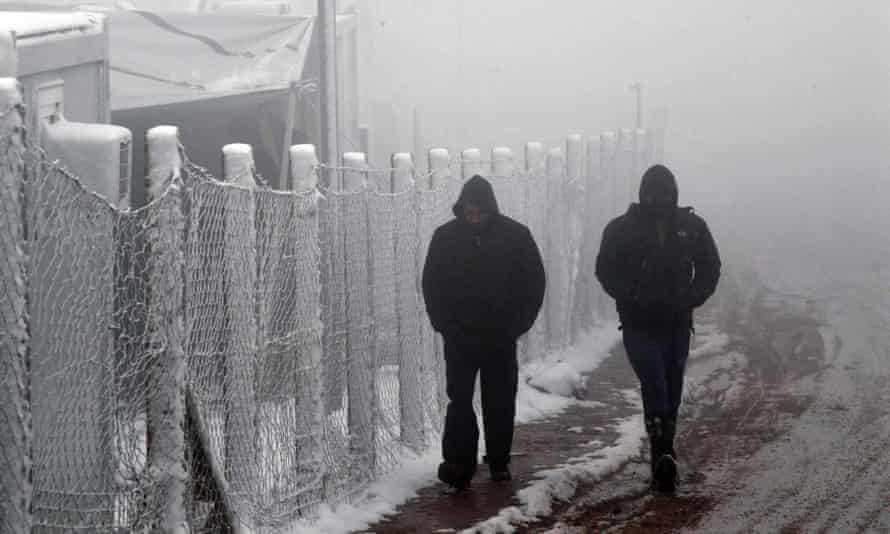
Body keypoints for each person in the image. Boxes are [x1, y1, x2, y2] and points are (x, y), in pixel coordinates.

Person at [595, 164, 721, 493]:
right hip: (639, 324)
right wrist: (630, 295)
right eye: (651, 194)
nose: (657, 200)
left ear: (674, 194)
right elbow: (605, 268)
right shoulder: (623, 229)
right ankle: (660, 452)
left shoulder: (691, 227)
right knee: (654, 381)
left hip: (677, 323)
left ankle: (666, 447)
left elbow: (710, 266)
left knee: (672, 386)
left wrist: (692, 297)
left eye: (664, 194)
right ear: (642, 194)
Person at [422, 175, 546, 491]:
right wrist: (443, 323)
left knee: (500, 398)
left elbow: (534, 282)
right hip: (460, 336)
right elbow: (432, 283)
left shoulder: (515, 237)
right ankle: (458, 463)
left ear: (491, 210)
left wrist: (518, 324)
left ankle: (499, 459)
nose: (474, 218)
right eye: (469, 212)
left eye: (480, 212)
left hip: (500, 336)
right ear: (461, 210)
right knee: (459, 399)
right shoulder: (445, 238)